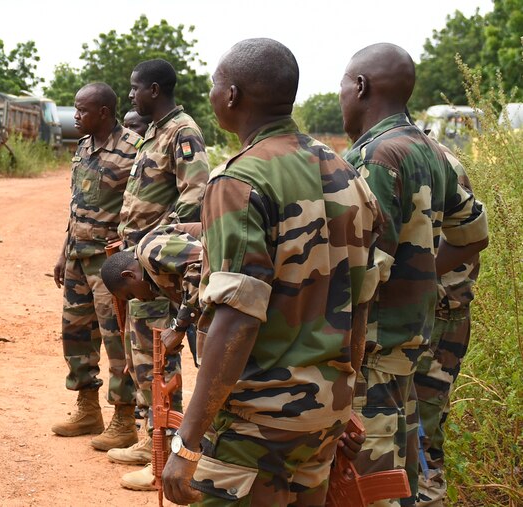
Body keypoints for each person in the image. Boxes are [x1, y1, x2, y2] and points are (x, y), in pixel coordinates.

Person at [162, 38, 382, 506]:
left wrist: (188, 439)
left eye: (216, 85)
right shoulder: (346, 172)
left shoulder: (239, 180)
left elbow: (237, 317)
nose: (212, 94)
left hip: (256, 426)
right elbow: (359, 302)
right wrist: (345, 398)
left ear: (233, 95)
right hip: (324, 418)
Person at [339, 43, 488, 505]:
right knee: (403, 472)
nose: (341, 97)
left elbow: (363, 272)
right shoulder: (430, 150)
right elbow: (473, 234)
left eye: (344, 86)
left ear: (361, 87)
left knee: (371, 480)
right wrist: (421, 273)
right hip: (410, 338)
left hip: (374, 346)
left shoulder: (375, 157)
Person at [109, 58, 210, 491]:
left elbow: (196, 192)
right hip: (142, 260)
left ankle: (166, 450)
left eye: (134, 89)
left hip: (160, 265)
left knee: (157, 355)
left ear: (154, 89)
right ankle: (150, 433)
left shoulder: (182, 131)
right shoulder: (154, 130)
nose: (130, 95)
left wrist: (153, 240)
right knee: (140, 354)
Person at [51, 83, 140, 452]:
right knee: (75, 335)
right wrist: (62, 251)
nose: (76, 116)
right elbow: (77, 206)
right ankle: (87, 408)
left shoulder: (133, 149)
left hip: (109, 262)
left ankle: (124, 419)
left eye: (82, 110)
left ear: (103, 112)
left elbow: (141, 208)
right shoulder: (83, 146)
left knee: (116, 339)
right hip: (76, 257)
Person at [414, 144, 485, 507]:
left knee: (420, 444)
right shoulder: (439, 156)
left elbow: (473, 239)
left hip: (433, 315)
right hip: (442, 312)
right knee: (423, 434)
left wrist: (407, 282)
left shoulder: (399, 159)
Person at [101, 222, 202, 358]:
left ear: (129, 275)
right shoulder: (155, 280)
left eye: (131, 295)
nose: (141, 300)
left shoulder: (148, 249)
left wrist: (178, 328)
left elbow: (200, 264)